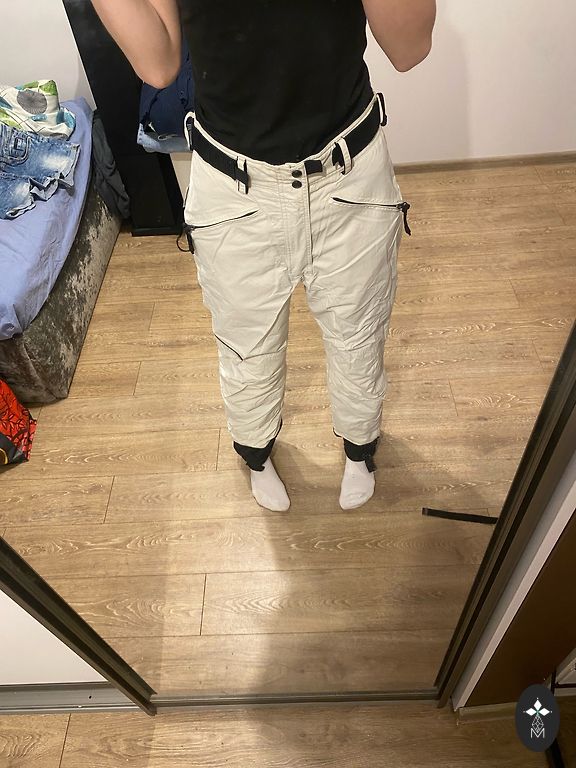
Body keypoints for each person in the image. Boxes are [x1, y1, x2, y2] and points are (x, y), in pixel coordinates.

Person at [90, 0, 436, 512]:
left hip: (347, 170)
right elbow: (158, 65)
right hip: (234, 183)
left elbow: (409, 48)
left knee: (359, 333)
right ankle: (256, 454)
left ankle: (360, 449)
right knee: (246, 347)